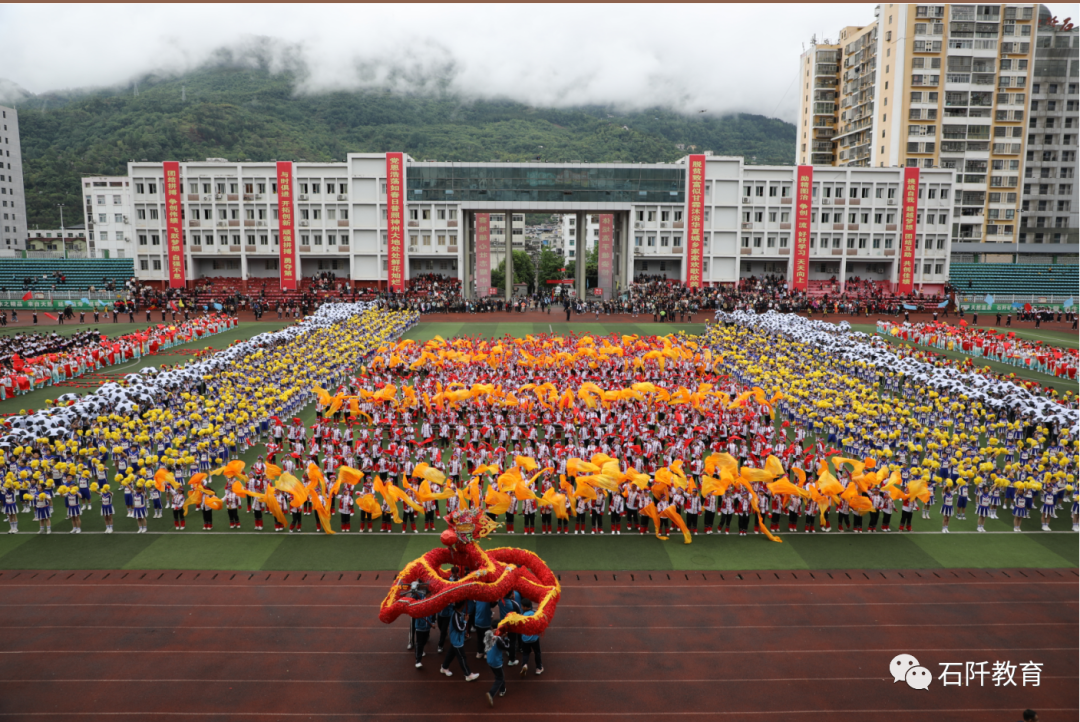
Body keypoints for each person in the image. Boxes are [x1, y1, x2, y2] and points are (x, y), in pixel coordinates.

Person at [439, 601, 479, 681]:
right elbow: (459, 628)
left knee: (451, 654)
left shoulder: (459, 614)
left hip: (457, 639)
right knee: (462, 657)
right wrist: (465, 621)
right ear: (461, 606)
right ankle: (468, 674)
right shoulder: (455, 615)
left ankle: (444, 667)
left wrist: (465, 633)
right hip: (457, 640)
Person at [517, 598, 544, 677]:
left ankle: (524, 665)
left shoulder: (522, 616)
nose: (521, 607)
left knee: (526, 653)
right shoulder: (535, 614)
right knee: (537, 652)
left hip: (525, 639)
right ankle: (539, 668)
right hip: (534, 638)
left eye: (522, 606)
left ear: (525, 607)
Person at [484, 629, 510, 706]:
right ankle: (491, 694)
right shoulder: (498, 639)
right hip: (497, 662)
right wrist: (506, 638)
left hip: (489, 660)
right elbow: (507, 647)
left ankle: (502, 690)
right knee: (500, 678)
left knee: (499, 674)